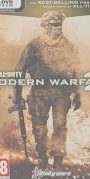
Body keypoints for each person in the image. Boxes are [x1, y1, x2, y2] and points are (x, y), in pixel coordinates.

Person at [12, 10, 80, 169]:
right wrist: (17, 94)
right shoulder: (34, 45)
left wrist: (77, 93)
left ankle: (58, 161)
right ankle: (42, 158)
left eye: (60, 24)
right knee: (39, 128)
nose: (58, 28)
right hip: (39, 93)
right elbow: (19, 71)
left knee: (60, 126)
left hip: (61, 93)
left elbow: (76, 71)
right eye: (55, 25)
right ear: (46, 26)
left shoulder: (69, 46)